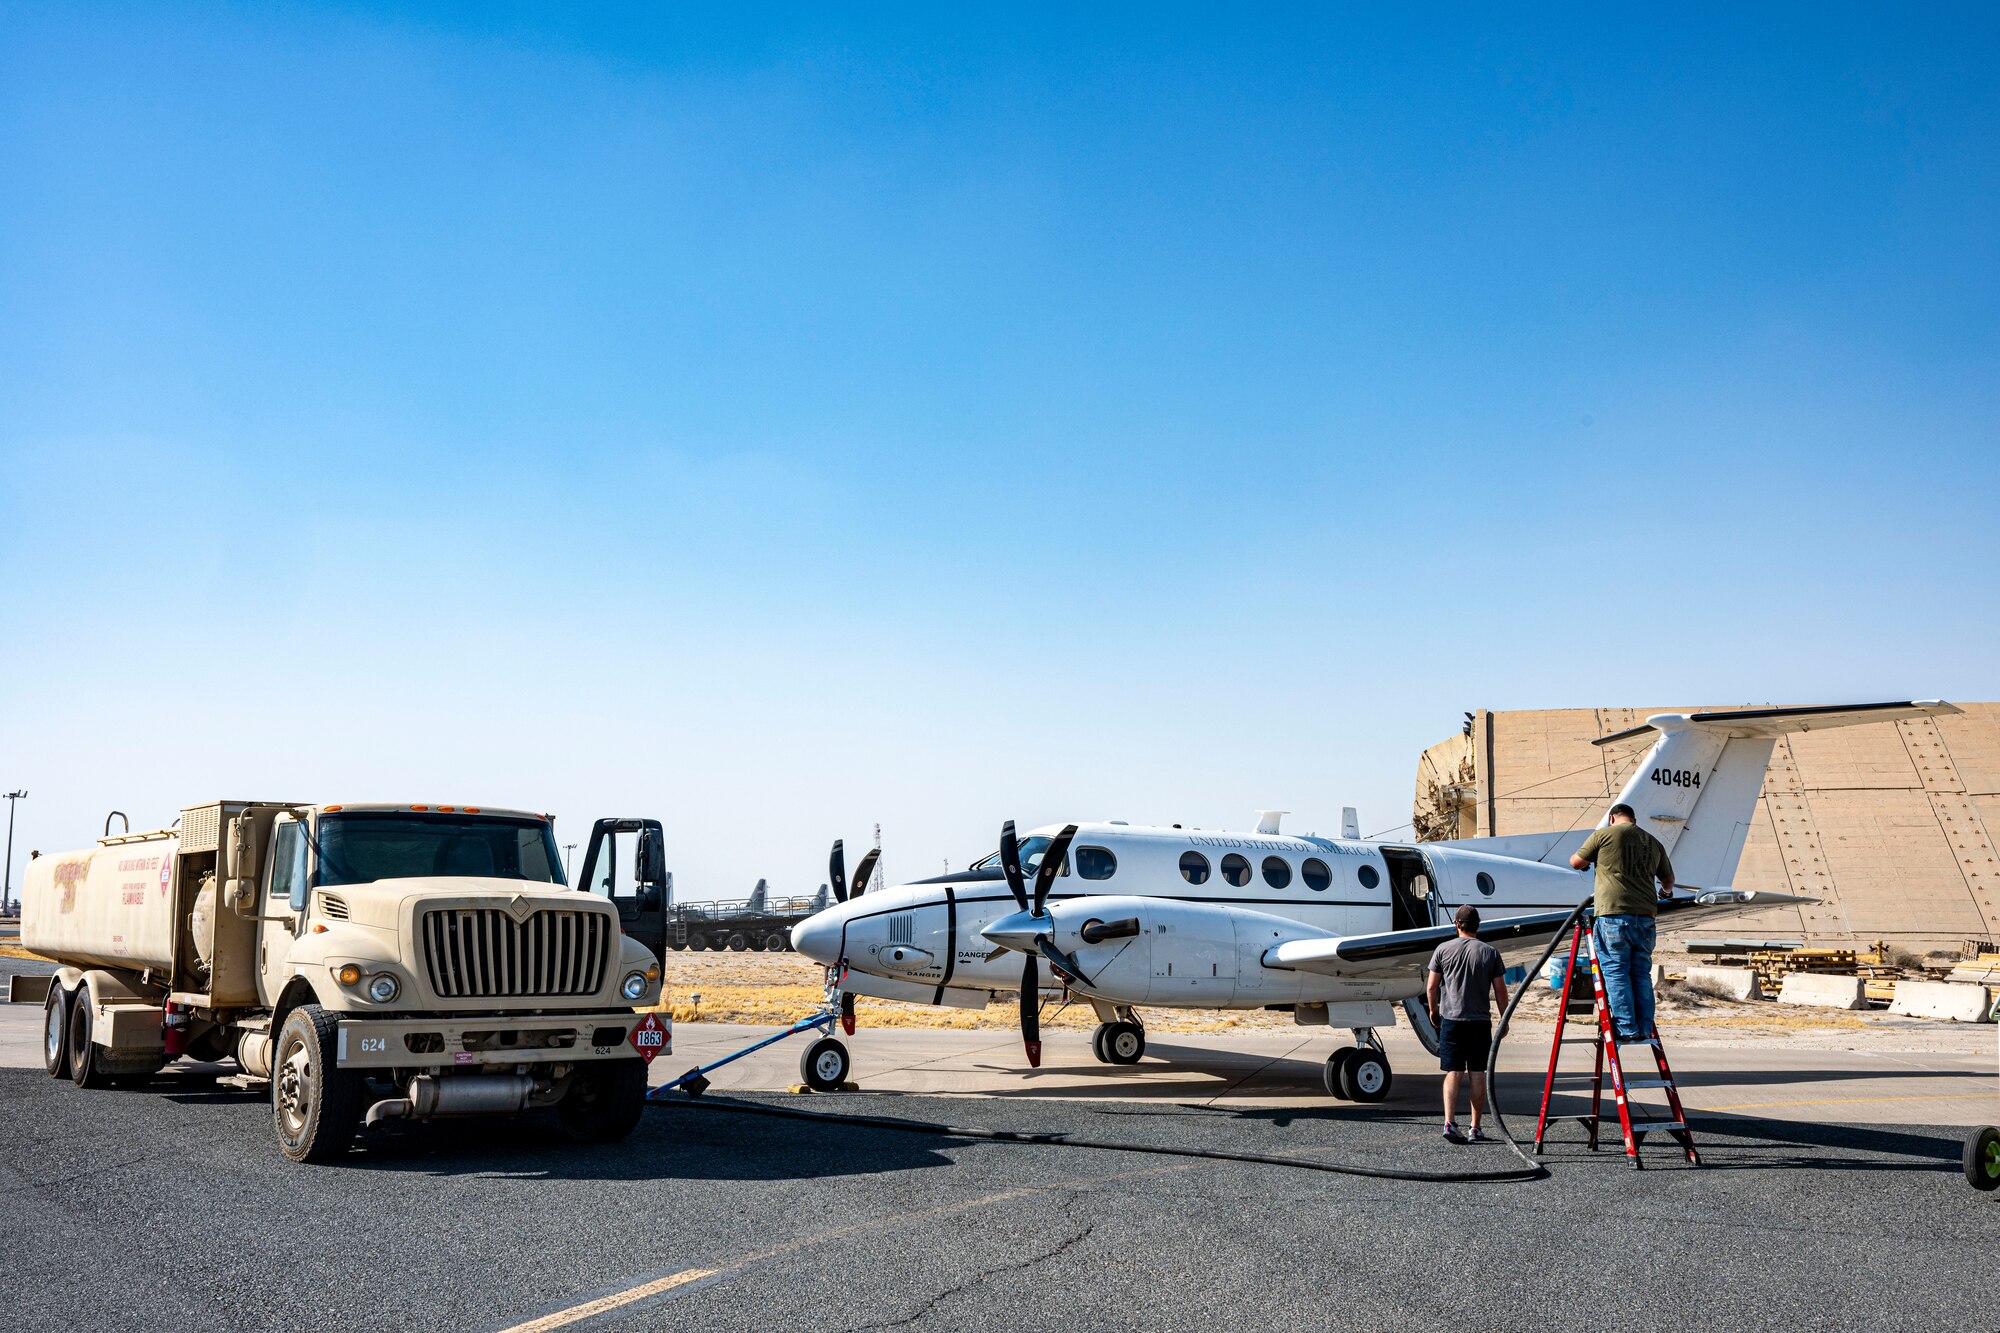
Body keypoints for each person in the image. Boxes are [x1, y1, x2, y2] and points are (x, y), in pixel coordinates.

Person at [1570, 803, 1675, 1043]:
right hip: (1646, 917)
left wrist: (1591, 861)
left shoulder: (1603, 835)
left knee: (1616, 972)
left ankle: (1626, 1027)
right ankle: (1645, 1027)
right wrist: (1665, 893)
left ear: (1611, 818)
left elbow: (1576, 862)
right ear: (1634, 819)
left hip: (1614, 915)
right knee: (1640, 973)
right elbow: (1668, 880)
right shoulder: (1652, 841)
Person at [1426, 903, 1508, 1145]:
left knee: (1453, 1072)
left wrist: (1433, 1010)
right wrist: (1504, 1019)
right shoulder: (1490, 952)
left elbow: (1431, 987)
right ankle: (1475, 1127)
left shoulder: (1442, 950)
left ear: (1456, 924)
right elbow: (1500, 991)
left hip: (1451, 1019)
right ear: (1477, 926)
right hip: (1479, 1022)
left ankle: (1449, 1122)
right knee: (1477, 1074)